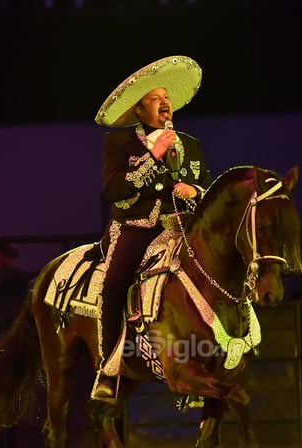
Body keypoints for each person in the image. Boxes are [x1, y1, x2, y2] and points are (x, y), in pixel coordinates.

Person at [90, 55, 213, 402]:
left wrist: (195, 191)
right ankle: (108, 370)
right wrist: (153, 155)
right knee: (113, 286)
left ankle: (205, 365)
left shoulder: (191, 144)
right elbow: (114, 190)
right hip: (137, 229)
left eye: (166, 97)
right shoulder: (119, 143)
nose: (164, 103)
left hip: (182, 230)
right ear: (138, 112)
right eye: (154, 99)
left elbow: (207, 190)